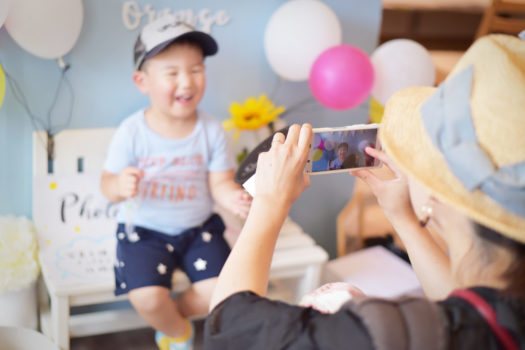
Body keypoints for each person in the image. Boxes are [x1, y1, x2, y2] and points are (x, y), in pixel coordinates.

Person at [203, 34, 525, 349]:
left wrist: (269, 204)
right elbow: (470, 306)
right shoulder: (497, 311)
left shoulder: (391, 331)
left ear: (438, 197)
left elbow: (229, 327)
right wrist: (404, 218)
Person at [100, 15, 251, 350]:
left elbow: (221, 183)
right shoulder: (132, 132)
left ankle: (170, 320)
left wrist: (234, 199)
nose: (187, 82)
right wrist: (118, 186)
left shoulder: (211, 130)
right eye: (172, 73)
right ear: (142, 81)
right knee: (147, 297)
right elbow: (106, 183)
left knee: (224, 291)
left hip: (199, 229)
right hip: (144, 231)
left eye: (196, 69)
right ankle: (178, 332)